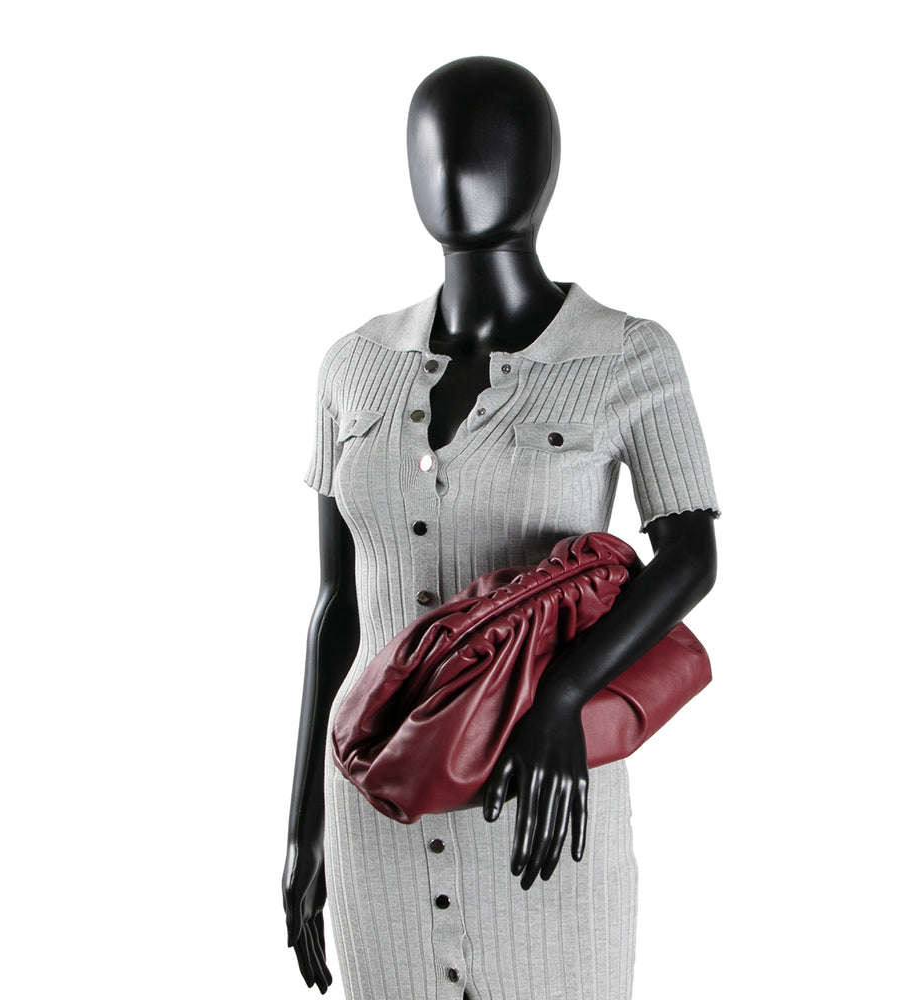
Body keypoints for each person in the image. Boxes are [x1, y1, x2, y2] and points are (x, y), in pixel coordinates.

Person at [283, 55, 720, 999]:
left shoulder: (629, 357)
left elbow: (690, 558)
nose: (454, 171)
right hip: (373, 825)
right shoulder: (350, 368)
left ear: (543, 168)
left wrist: (566, 696)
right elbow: (334, 608)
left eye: (486, 147)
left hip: (538, 802)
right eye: (432, 149)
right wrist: (302, 827)